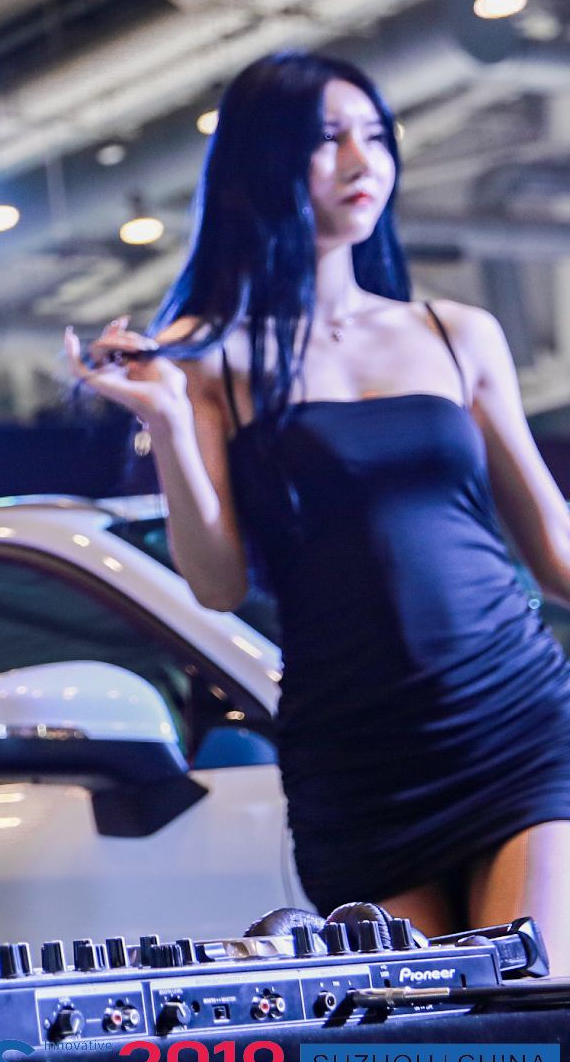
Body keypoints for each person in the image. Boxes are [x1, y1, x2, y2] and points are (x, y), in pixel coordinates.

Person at [66, 51, 570, 943]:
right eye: (328, 137)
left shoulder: (457, 334)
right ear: (264, 158)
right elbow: (218, 583)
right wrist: (171, 425)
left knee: (534, 985)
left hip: (513, 717)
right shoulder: (205, 358)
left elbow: (557, 554)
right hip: (360, 755)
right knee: (430, 1025)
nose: (361, 159)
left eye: (375, 135)